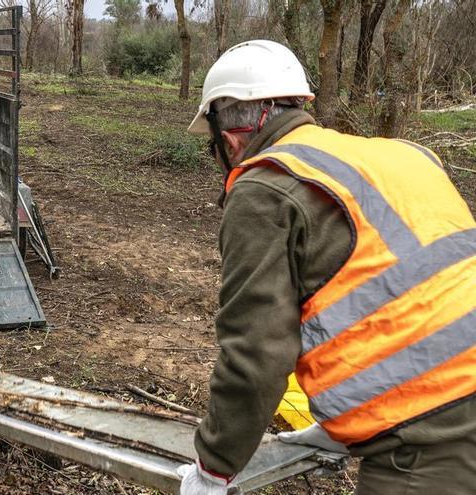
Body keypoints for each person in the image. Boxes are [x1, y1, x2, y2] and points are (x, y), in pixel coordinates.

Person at [177, 39, 476, 494]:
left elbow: (256, 348)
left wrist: (213, 468)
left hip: (432, 431)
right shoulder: (400, 155)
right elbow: (410, 296)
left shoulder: (268, 187)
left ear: (229, 133)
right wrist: (341, 423)